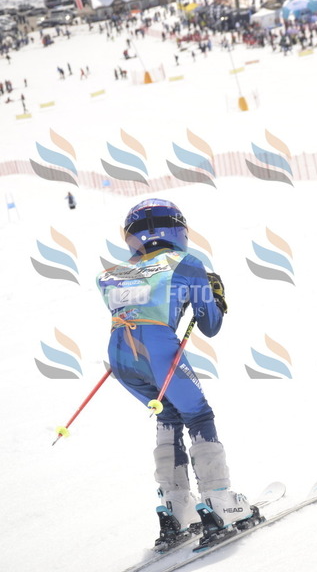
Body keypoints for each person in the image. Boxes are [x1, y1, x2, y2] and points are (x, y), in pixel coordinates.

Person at [96, 198, 252, 548]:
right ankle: (219, 500)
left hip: (119, 355)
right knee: (198, 414)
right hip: (158, 349)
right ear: (179, 229)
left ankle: (176, 506)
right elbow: (209, 324)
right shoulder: (188, 262)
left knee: (167, 413)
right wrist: (214, 295)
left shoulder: (110, 274)